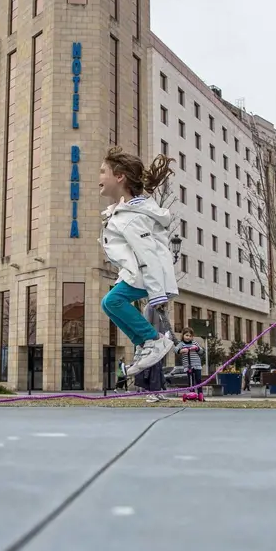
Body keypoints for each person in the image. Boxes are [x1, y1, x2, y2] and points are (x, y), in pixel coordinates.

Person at [98, 146, 179, 377]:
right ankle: (145, 344)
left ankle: (153, 340)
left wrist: (157, 295)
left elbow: (148, 255)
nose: (99, 178)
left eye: (104, 172)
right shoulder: (124, 211)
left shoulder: (132, 218)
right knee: (108, 303)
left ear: (119, 176)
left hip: (147, 275)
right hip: (137, 274)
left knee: (113, 301)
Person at [176, 328, 204, 395]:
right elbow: (175, 349)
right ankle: (192, 393)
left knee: (198, 380)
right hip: (188, 365)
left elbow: (201, 351)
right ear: (183, 335)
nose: (188, 337)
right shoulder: (181, 344)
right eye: (186, 335)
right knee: (191, 380)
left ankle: (200, 394)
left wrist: (197, 348)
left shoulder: (194, 343)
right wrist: (181, 350)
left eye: (190, 336)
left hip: (196, 364)